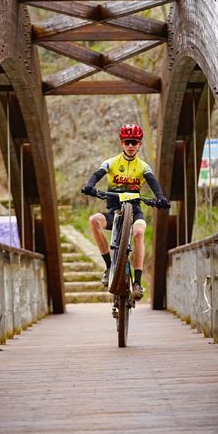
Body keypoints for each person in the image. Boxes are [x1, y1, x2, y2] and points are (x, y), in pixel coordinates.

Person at [82, 124, 169, 301]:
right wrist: (90, 185)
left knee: (138, 233)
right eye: (127, 142)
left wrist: (160, 197)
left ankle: (137, 281)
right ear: (122, 143)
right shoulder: (111, 162)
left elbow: (152, 182)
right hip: (114, 210)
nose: (130, 145)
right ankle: (108, 267)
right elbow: (98, 173)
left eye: (134, 142)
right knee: (94, 220)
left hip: (135, 211)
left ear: (139, 145)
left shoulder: (143, 166)